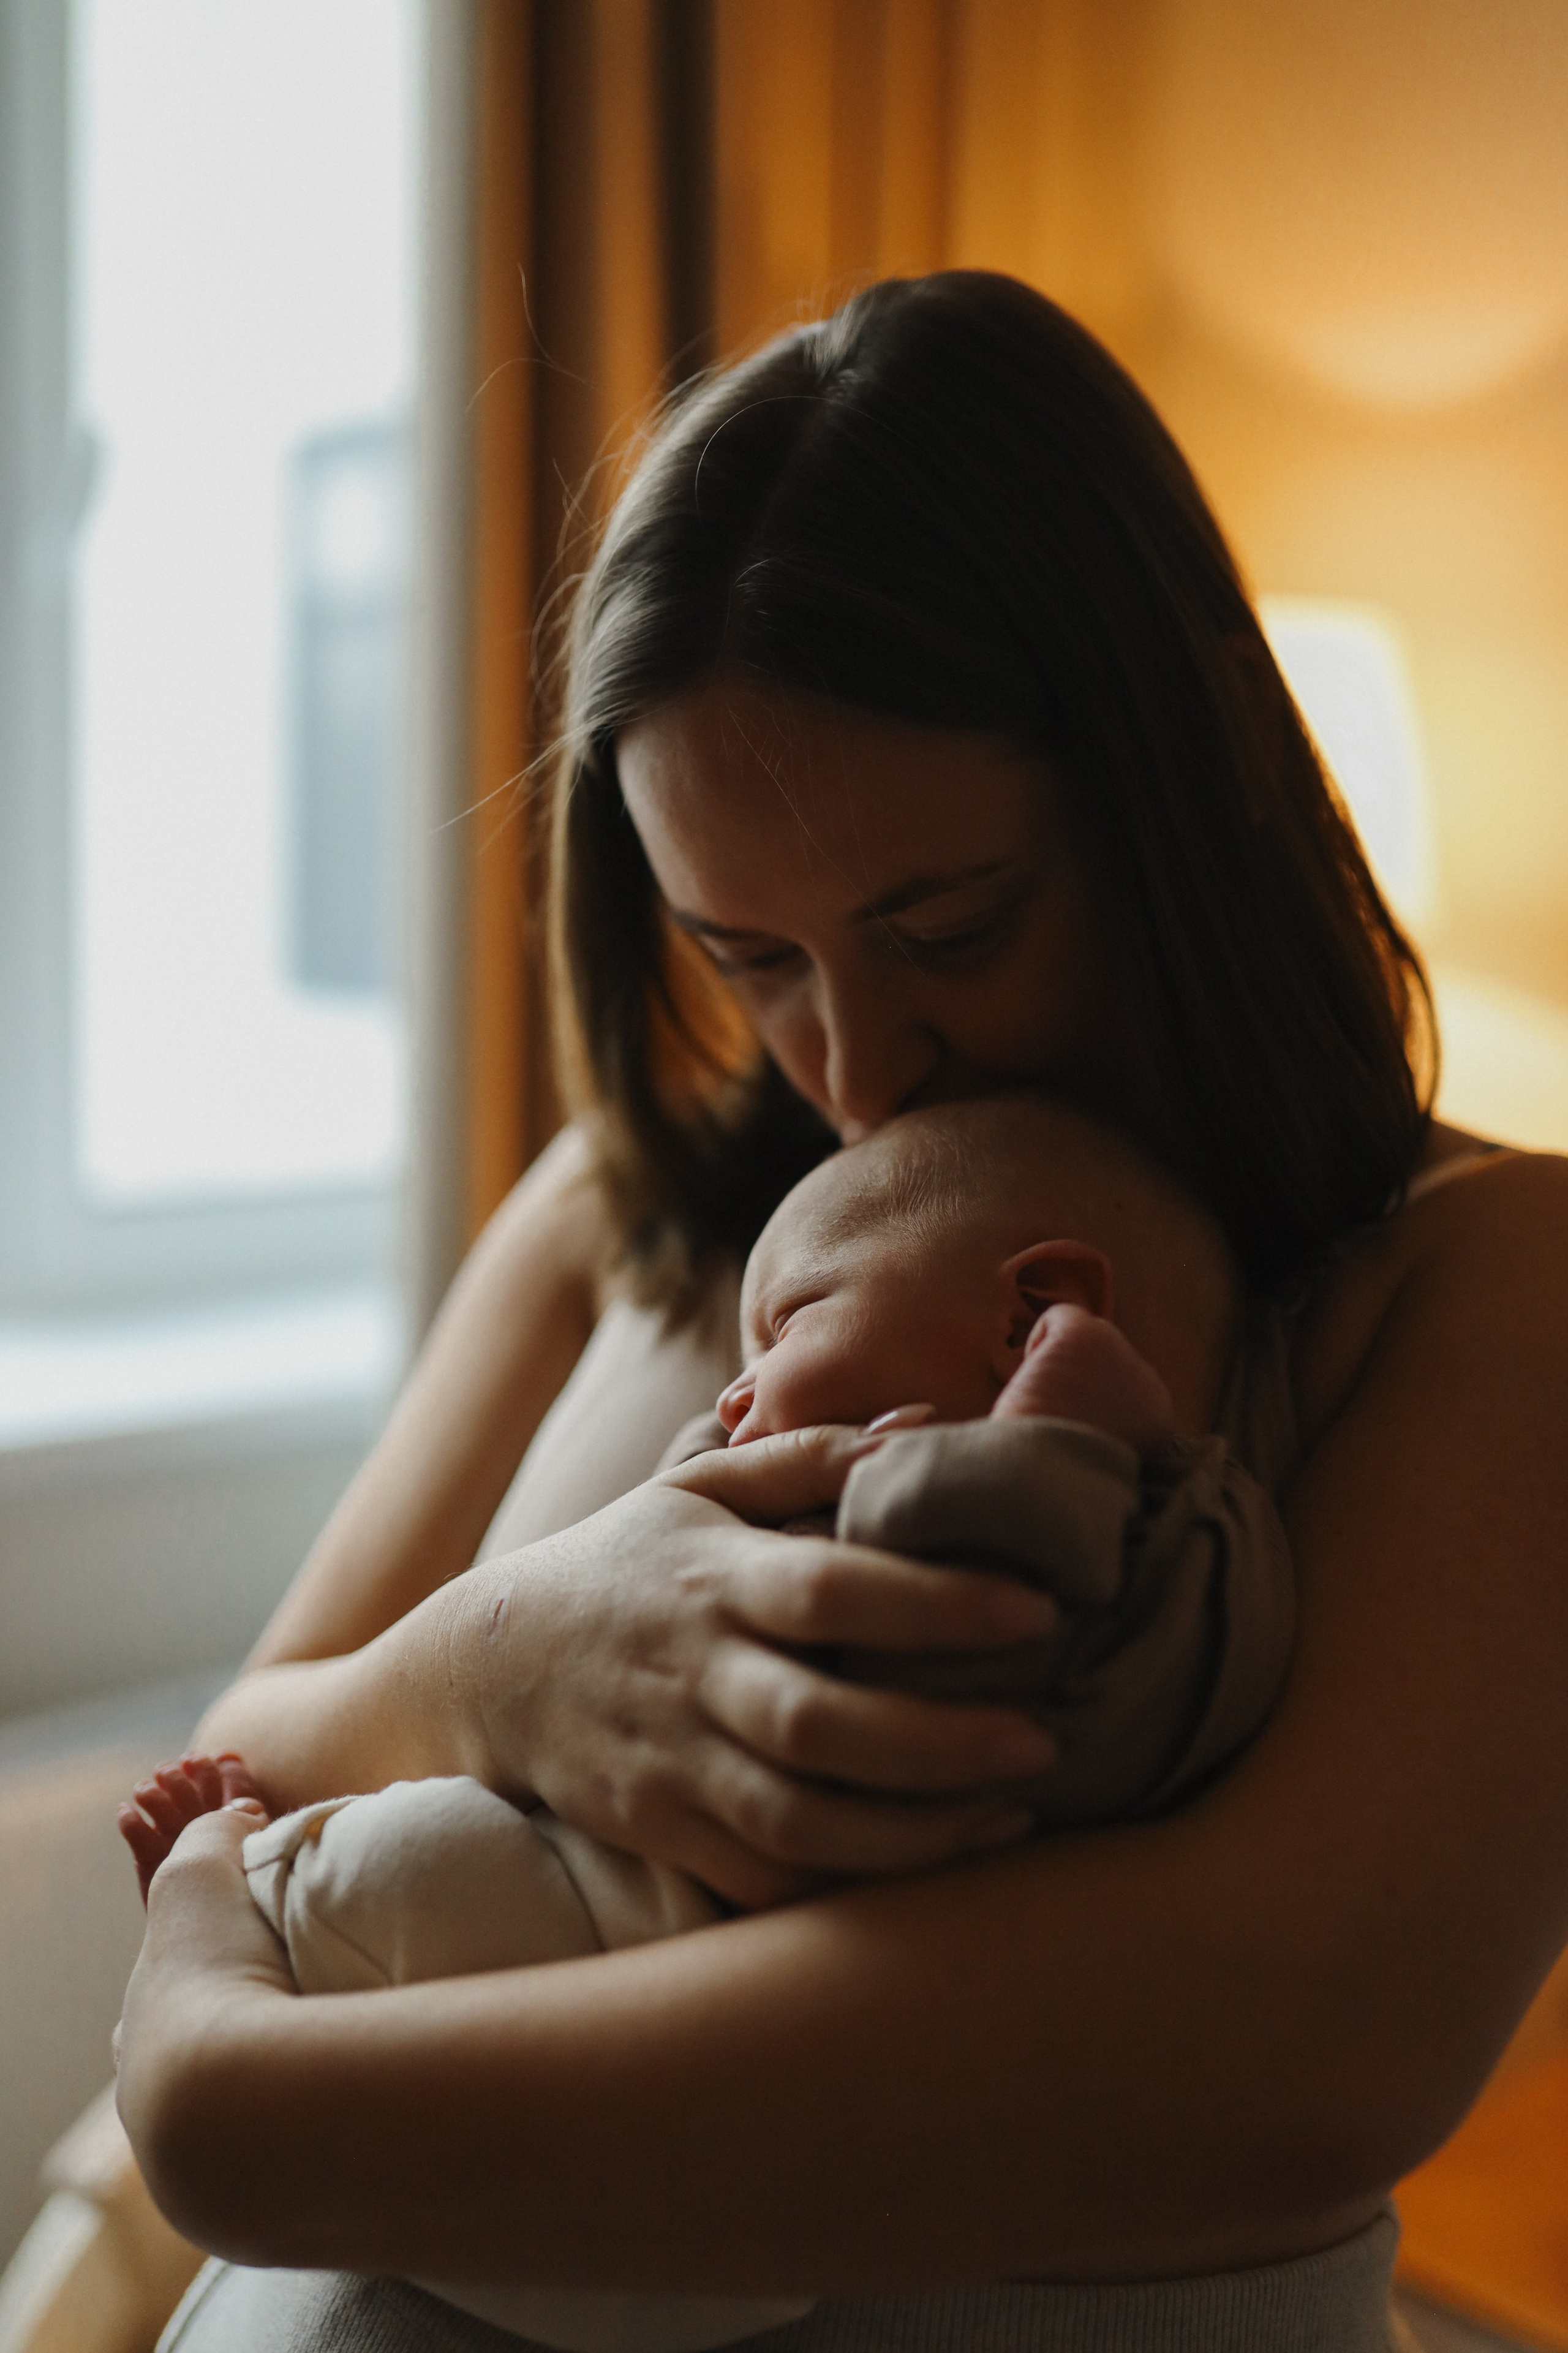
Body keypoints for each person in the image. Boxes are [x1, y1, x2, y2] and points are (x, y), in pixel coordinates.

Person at [113, 273, 1568, 2353]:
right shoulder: (621, 1214)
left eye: (948, 926)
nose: (858, 1071)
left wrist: (225, 2100)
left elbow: (1292, 2045)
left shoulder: (1485, 1278)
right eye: (751, 958)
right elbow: (231, 1772)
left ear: (1175, 802)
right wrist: (517, 1655)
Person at [118, 1092, 1293, 2350]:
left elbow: (1095, 1586)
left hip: (624, 2033)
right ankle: (235, 1890)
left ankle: (216, 1893)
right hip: (572, 2160)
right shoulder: (619, 1196)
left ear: (1029, 1318)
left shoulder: (1051, 1533)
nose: (734, 1399)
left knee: (387, 1860)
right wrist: (500, 1651)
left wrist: (1075, 1406)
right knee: (366, 1853)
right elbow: (246, 1735)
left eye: (786, 1323)